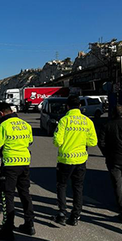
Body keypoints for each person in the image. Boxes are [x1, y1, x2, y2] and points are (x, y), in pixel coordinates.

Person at [0, 102, 35, 240]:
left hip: (10, 165)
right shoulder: (25, 124)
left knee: (7, 196)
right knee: (24, 194)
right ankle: (29, 224)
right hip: (25, 163)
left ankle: (7, 230)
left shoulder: (3, 125)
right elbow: (30, 142)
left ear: (1, 113)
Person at [53, 95, 98, 226]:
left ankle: (62, 213)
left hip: (65, 160)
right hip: (81, 159)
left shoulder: (64, 120)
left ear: (67, 106)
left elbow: (57, 141)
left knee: (61, 185)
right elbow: (93, 141)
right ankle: (75, 216)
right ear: (80, 106)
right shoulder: (87, 121)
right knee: (78, 187)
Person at [98, 105, 122, 222]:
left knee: (118, 185)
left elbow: (101, 143)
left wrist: (106, 153)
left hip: (113, 160)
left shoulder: (107, 126)